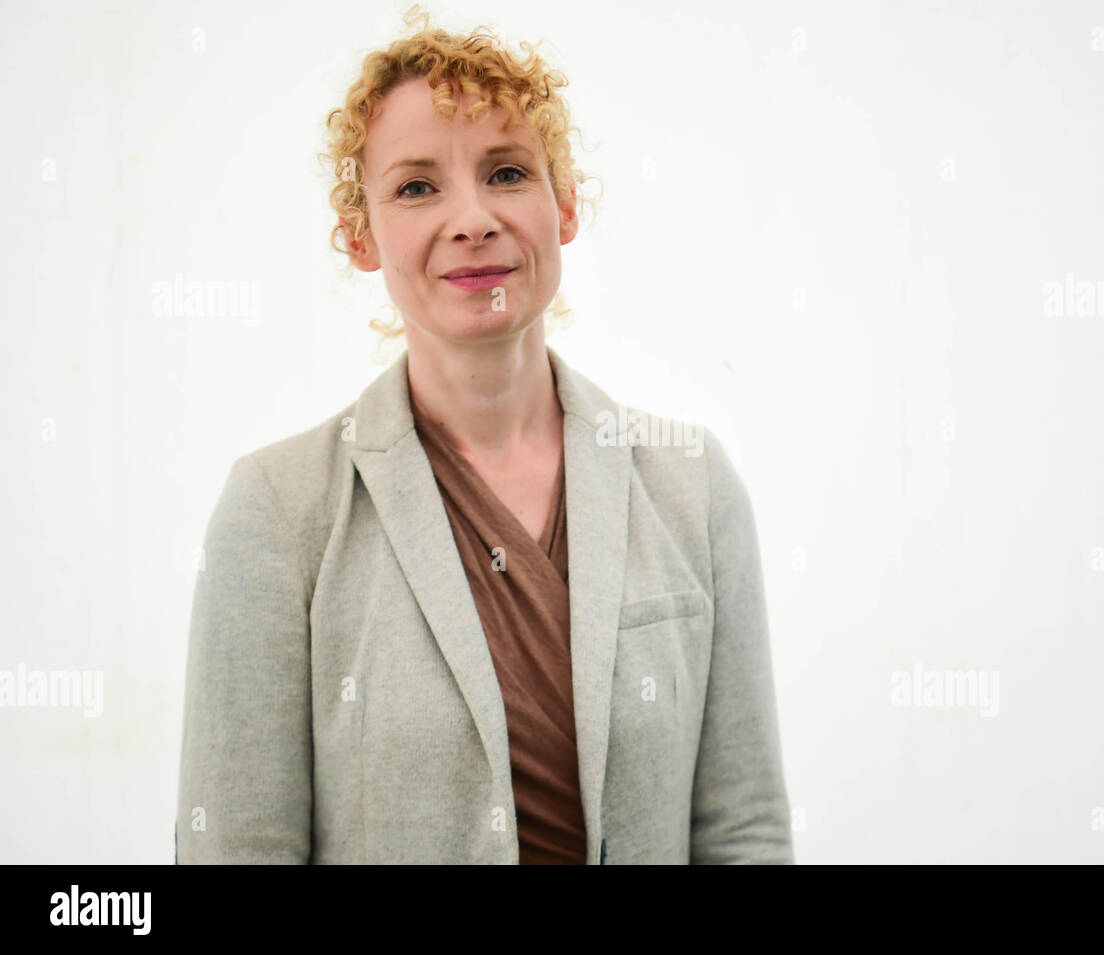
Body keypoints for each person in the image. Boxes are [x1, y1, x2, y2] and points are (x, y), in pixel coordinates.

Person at [176, 10, 793, 864]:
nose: (472, 219)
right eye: (417, 186)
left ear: (565, 206)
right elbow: (237, 848)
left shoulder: (694, 488)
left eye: (507, 172)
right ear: (361, 234)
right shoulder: (280, 512)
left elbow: (744, 833)